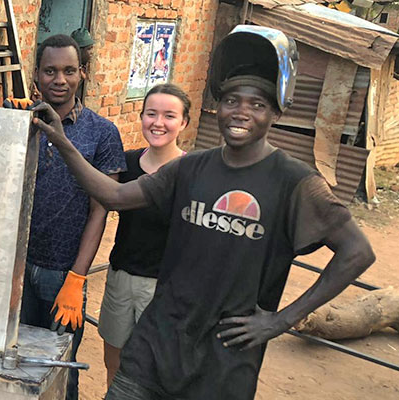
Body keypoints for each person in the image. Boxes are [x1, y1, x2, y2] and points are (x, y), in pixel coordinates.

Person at [31, 26, 375, 399]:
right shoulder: (190, 169)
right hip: (155, 348)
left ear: (275, 112)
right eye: (231, 101)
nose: (241, 112)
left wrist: (282, 320)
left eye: (257, 104)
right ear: (218, 106)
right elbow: (113, 196)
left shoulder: (294, 183)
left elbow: (357, 253)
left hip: (223, 363)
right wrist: (61, 141)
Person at [20, 34, 126, 400]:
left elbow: (101, 209)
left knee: (61, 365)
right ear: (36, 75)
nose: (59, 79)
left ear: (82, 73)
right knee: (18, 361)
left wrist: (77, 277)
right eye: (50, 71)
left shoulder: (102, 133)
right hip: (20, 267)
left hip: (63, 272)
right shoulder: (23, 123)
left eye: (68, 70)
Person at [98, 83, 190, 386]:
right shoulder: (125, 164)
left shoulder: (193, 173)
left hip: (164, 288)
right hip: (120, 278)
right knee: (114, 360)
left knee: (154, 368)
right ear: (141, 117)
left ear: (183, 123)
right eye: (151, 114)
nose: (158, 123)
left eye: (169, 116)